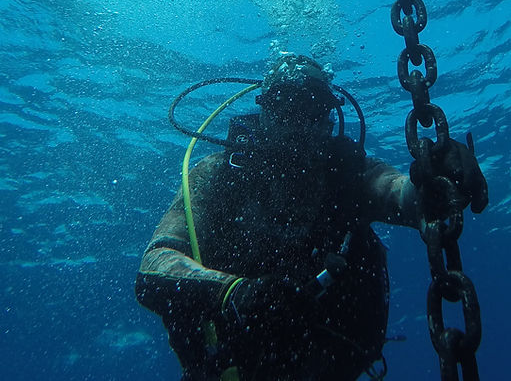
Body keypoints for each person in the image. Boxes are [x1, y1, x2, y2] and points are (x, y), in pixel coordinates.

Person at [135, 53, 488, 381]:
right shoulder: (216, 177)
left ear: (329, 119)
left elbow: (401, 194)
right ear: (264, 112)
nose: (297, 125)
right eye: (284, 107)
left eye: (311, 108)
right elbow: (155, 263)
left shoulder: (352, 175)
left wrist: (435, 176)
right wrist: (235, 293)